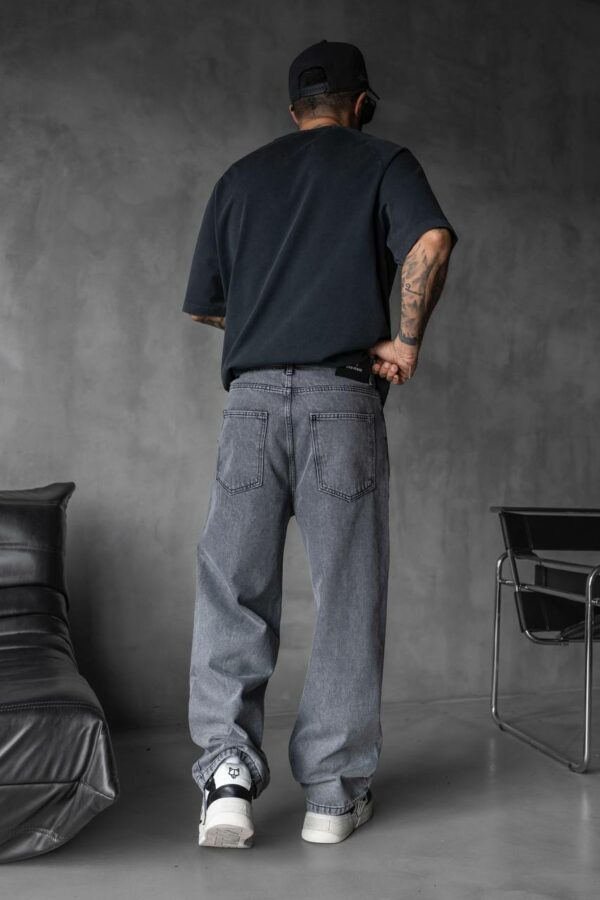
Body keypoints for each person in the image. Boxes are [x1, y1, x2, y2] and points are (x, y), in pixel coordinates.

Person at [182, 39, 458, 849]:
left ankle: (227, 782)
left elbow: (206, 305)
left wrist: (277, 324)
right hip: (342, 403)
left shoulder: (240, 178)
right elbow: (431, 241)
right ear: (361, 104)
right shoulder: (383, 161)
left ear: (292, 109)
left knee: (233, 591)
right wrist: (404, 339)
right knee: (346, 598)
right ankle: (331, 799)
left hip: (250, 407)